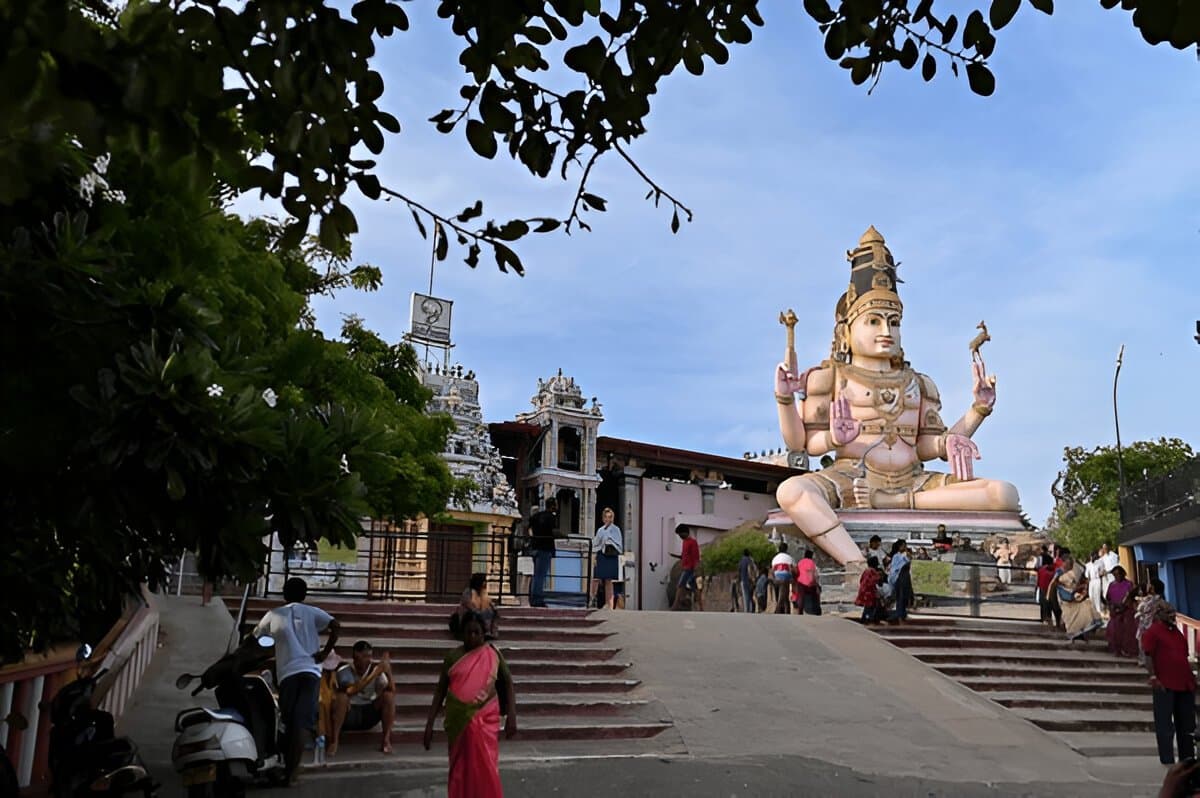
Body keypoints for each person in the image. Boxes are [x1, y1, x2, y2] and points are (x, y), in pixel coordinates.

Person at [772, 227, 1020, 566]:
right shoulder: (830, 377)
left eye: (894, 322)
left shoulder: (919, 383)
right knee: (791, 491)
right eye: (873, 321)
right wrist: (788, 403)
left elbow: (931, 447)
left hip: (914, 485)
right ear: (847, 330)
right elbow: (802, 443)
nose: (887, 332)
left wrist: (978, 410)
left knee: (1003, 493)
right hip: (851, 479)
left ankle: (891, 501)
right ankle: (857, 565)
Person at [253, 577, 341, 783]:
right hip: (311, 671)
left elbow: (258, 637)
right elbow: (335, 625)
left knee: (290, 721)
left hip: (288, 673)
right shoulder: (312, 612)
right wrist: (324, 652)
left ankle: (287, 769)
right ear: (304, 595)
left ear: (284, 594)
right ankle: (291, 771)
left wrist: (267, 649)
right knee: (300, 723)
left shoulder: (273, 614)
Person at [423, 611, 517, 798]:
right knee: (460, 769)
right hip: (457, 720)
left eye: (477, 633)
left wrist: (512, 715)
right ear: (462, 633)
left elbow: (507, 683)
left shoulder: (492, 655)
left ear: (484, 633)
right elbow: (440, 690)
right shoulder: (452, 657)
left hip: (486, 720)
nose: (472, 637)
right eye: (468, 633)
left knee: (486, 766)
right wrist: (430, 723)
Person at [1142, 603, 1196, 765]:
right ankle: (1167, 759)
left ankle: (1187, 758)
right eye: (1168, 612)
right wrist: (1153, 676)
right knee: (1165, 724)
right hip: (1164, 683)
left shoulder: (1177, 633)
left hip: (1185, 683)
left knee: (1187, 724)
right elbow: (1148, 655)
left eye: (1173, 612)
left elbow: (1184, 656)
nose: (1172, 615)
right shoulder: (1152, 632)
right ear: (1158, 614)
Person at [329, 641, 395, 756]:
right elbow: (352, 690)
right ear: (355, 656)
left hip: (368, 713)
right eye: (365, 656)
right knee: (342, 698)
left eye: (370, 656)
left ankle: (386, 740)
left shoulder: (374, 669)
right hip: (350, 715)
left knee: (388, 697)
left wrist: (388, 672)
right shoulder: (345, 670)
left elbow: (391, 689)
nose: (368, 660)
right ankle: (334, 740)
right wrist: (374, 674)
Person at [1051, 555, 1103, 641]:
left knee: (1087, 606)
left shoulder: (1073, 572)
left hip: (1074, 595)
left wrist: (1080, 589)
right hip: (1065, 597)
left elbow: (1078, 583)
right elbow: (1057, 585)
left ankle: (1082, 631)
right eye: (1068, 563)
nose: (1069, 565)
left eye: (1070, 564)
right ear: (1063, 563)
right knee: (1070, 615)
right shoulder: (1059, 572)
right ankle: (1073, 632)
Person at [527, 498, 558, 607]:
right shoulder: (551, 517)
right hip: (545, 548)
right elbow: (553, 532)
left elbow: (529, 529)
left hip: (535, 547)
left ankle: (532, 597)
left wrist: (533, 539)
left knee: (536, 574)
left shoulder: (536, 516)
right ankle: (537, 599)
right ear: (553, 506)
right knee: (540, 575)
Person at [591, 507, 623, 610]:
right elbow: (596, 544)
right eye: (606, 517)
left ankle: (609, 604)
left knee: (609, 580)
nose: (608, 519)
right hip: (601, 555)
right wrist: (594, 556)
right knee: (596, 578)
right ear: (603, 518)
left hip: (611, 555)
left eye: (610, 517)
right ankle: (593, 599)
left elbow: (619, 543)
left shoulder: (616, 529)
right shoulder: (600, 530)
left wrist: (610, 541)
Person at [453, 573, 499, 640]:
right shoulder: (468, 592)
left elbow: (488, 602)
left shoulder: (482, 592)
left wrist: (493, 608)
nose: (485, 583)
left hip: (479, 611)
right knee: (478, 615)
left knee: (492, 612)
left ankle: (491, 633)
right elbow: (470, 606)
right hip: (469, 615)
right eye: (483, 581)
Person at [1105, 566, 1138, 658]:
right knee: (1114, 631)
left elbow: (1132, 597)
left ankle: (1128, 650)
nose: (1117, 576)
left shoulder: (1128, 584)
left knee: (1127, 631)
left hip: (1126, 611)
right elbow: (1108, 598)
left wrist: (1123, 606)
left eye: (1118, 574)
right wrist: (1112, 606)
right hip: (1115, 611)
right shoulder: (1111, 585)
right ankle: (1117, 650)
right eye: (1114, 574)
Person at [669, 524, 701, 611]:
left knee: (680, 586)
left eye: (680, 534)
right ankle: (701, 607)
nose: (680, 536)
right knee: (694, 588)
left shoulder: (692, 542)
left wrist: (696, 569)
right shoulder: (684, 542)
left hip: (689, 569)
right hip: (686, 568)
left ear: (685, 533)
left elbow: (696, 556)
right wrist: (675, 556)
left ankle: (675, 605)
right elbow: (684, 556)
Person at [1137, 579, 1168, 666]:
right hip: (1146, 625)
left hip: (1150, 626)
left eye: (1150, 585)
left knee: (1147, 646)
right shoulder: (1150, 599)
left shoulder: (1156, 600)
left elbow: (1142, 609)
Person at [887, 540, 913, 623]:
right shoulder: (896, 556)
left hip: (905, 578)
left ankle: (902, 613)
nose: (905, 547)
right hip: (899, 578)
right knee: (900, 597)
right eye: (903, 546)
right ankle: (899, 614)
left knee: (905, 597)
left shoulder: (906, 555)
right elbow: (895, 569)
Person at [855, 556, 884, 624]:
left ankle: (864, 618)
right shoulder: (873, 571)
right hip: (869, 591)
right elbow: (875, 581)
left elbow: (861, 580)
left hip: (863, 590)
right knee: (871, 606)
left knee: (867, 606)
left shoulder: (866, 571)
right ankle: (870, 619)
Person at [770, 542, 796, 615]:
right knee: (785, 593)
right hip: (785, 577)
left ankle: (783, 609)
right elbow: (793, 569)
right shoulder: (789, 557)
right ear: (786, 549)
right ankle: (779, 609)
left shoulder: (775, 558)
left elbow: (772, 569)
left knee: (782, 593)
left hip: (776, 577)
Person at [1036, 555, 1060, 628]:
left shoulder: (1041, 570)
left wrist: (1037, 588)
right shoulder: (1056, 570)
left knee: (1046, 608)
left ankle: (1049, 623)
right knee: (1055, 608)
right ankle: (1058, 623)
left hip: (1043, 590)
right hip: (1053, 591)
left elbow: (1038, 582)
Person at [795, 549, 821, 615]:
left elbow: (797, 572)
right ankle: (816, 611)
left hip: (801, 582)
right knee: (815, 595)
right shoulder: (812, 563)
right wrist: (816, 584)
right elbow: (815, 575)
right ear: (811, 556)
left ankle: (800, 611)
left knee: (801, 596)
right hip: (811, 583)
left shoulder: (800, 562)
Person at [737, 548, 757, 614]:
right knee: (750, 595)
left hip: (743, 580)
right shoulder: (750, 560)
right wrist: (753, 579)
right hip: (750, 580)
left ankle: (747, 610)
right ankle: (751, 609)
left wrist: (739, 580)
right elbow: (751, 570)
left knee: (746, 595)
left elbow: (739, 571)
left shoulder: (741, 561)